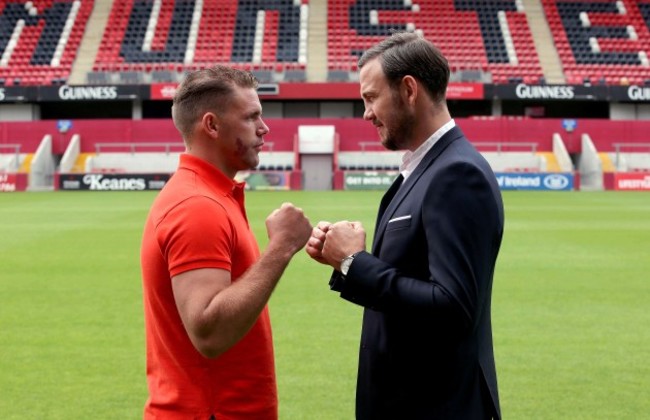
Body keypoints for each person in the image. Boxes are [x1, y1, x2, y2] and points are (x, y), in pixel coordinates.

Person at [306, 33, 504, 419]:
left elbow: (452, 306)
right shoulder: (426, 168)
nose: (365, 112)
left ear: (409, 89)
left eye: (370, 97)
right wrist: (341, 262)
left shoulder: (456, 173)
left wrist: (353, 262)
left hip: (435, 406)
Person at [140, 65, 312, 419]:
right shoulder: (197, 206)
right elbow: (210, 333)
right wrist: (281, 247)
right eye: (251, 117)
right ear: (212, 125)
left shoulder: (209, 195)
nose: (264, 128)